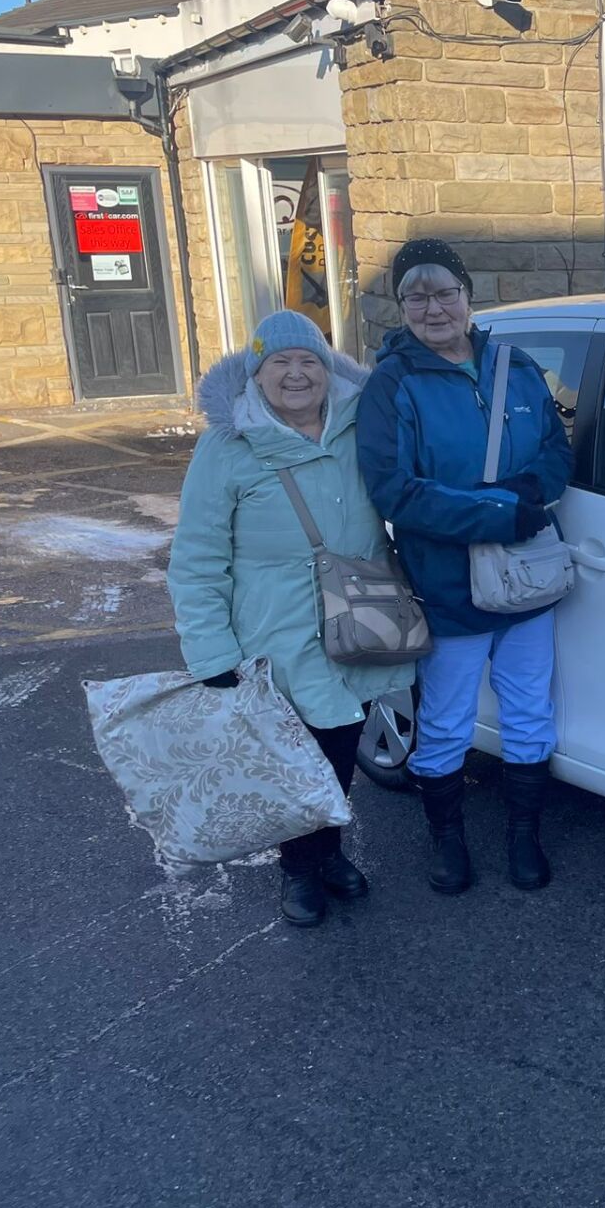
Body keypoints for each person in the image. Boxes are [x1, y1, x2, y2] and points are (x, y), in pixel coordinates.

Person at [168, 311, 415, 927]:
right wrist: (212, 655)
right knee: (294, 756)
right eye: (280, 362)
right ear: (257, 374)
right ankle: (301, 870)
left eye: (309, 360)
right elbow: (197, 558)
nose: (297, 374)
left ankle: (324, 853)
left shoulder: (361, 427)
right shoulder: (229, 447)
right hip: (273, 633)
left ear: (328, 369)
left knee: (337, 745)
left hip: (358, 618)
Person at [357, 239, 574, 896]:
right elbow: (394, 488)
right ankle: (447, 842)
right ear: (401, 306)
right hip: (448, 587)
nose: (433, 307)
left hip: (528, 581)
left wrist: (532, 495)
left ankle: (523, 835)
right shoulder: (393, 385)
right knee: (448, 720)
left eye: (444, 291)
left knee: (530, 710)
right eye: (415, 295)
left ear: (467, 295)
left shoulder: (517, 366)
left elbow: (555, 447)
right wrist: (499, 515)